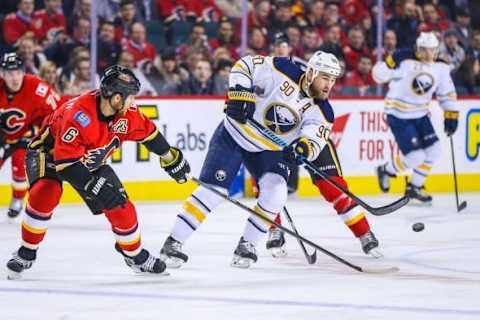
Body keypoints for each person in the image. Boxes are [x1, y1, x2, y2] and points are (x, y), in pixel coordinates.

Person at [160, 50, 380, 269]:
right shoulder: (282, 69)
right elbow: (244, 65)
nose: (328, 85)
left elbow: (314, 141)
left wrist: (302, 149)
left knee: (277, 193)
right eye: (325, 78)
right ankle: (173, 242)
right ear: (311, 73)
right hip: (234, 135)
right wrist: (240, 91)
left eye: (333, 80)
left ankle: (248, 245)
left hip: (269, 150)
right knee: (212, 191)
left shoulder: (324, 112)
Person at [6, 65, 191, 279]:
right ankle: (26, 251)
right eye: (130, 97)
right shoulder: (78, 115)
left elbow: (149, 135)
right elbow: (65, 164)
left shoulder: (127, 113)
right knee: (47, 191)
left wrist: (170, 158)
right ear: (116, 99)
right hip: (49, 154)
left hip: (89, 159)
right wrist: (95, 186)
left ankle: (135, 255)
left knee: (121, 207)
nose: (133, 102)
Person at [374, 32, 458, 204]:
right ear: (417, 49)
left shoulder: (441, 68)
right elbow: (378, 76)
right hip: (398, 115)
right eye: (424, 50)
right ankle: (386, 169)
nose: (428, 54)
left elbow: (447, 93)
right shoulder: (405, 62)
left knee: (434, 151)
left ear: (436, 50)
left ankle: (414, 187)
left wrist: (451, 114)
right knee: (415, 157)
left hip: (420, 115)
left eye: (431, 50)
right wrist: (390, 62)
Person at [0, 52, 62, 219]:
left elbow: (59, 112)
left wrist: (40, 132)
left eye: (18, 72)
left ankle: (17, 200)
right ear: (2, 74)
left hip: (26, 136)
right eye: (10, 74)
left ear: (24, 72)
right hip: (2, 136)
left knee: (21, 164)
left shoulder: (37, 87)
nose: (15, 78)